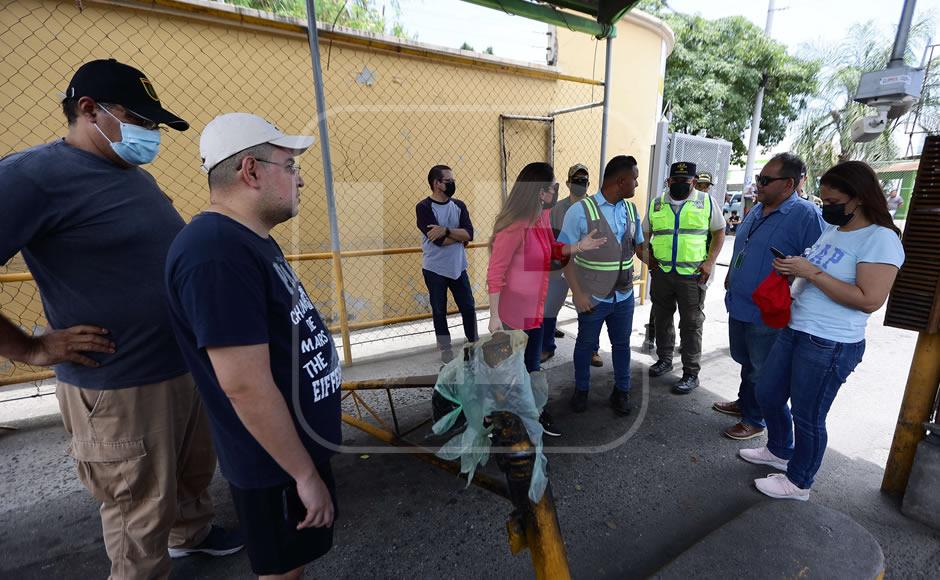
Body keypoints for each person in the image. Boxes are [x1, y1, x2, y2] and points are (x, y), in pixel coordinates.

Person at [0, 59, 240, 579]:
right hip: (120, 383)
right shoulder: (29, 177)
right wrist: (31, 348)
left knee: (190, 472)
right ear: (90, 110)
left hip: (180, 363)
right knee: (137, 505)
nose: (150, 134)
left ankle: (191, 535)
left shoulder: (130, 174)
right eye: (141, 120)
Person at [165, 113, 341, 578]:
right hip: (274, 464)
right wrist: (303, 474)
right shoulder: (215, 251)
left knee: (293, 564)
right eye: (290, 166)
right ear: (251, 170)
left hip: (288, 455)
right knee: (282, 571)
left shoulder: (245, 239)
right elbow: (244, 384)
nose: (300, 179)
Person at [739, 160, 904, 501]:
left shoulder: (881, 238)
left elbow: (870, 299)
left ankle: (799, 481)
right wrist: (793, 269)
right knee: (767, 393)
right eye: (824, 200)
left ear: (859, 197)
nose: (826, 208)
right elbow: (817, 272)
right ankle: (779, 449)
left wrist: (811, 272)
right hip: (796, 327)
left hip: (829, 342)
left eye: (833, 202)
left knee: (808, 415)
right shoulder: (835, 230)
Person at [487, 162, 605, 434]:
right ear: (540, 192)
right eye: (553, 186)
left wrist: (579, 246)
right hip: (513, 317)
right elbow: (495, 273)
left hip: (535, 312)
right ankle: (508, 424)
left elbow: (552, 249)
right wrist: (494, 316)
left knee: (531, 366)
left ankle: (532, 415)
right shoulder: (514, 227)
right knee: (510, 372)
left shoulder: (540, 218)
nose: (556, 190)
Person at [716, 153, 824, 441]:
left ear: (788, 184)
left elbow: (819, 263)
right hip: (740, 302)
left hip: (767, 309)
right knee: (746, 361)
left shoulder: (806, 215)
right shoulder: (758, 208)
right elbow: (745, 247)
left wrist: (794, 278)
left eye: (765, 180)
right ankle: (745, 403)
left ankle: (755, 419)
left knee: (762, 370)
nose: (758, 185)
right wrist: (733, 274)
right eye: (758, 179)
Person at [559, 155, 645, 415]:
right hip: (593, 297)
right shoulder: (580, 212)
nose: (637, 183)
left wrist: (659, 262)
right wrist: (577, 293)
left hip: (624, 296)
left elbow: (639, 247)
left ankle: (622, 391)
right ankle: (581, 391)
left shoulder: (631, 211)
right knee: (585, 345)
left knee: (622, 345)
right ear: (620, 181)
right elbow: (563, 254)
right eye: (634, 179)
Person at [638, 162, 726, 394]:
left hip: (692, 276)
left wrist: (710, 262)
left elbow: (719, 232)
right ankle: (664, 360)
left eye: (684, 181)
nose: (678, 184)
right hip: (662, 274)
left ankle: (690, 373)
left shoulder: (706, 202)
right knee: (662, 319)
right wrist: (648, 258)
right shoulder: (657, 203)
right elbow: (644, 234)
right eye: (674, 180)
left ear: (693, 182)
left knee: (691, 325)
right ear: (668, 181)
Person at [540, 163, 603, 368]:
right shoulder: (557, 209)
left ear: (589, 184)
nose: (580, 183)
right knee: (550, 307)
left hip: (585, 268)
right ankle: (547, 346)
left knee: (589, 310)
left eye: (584, 180)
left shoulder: (595, 208)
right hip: (560, 266)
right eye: (576, 180)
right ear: (568, 183)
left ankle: (592, 349)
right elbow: (552, 238)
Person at [416, 165, 478, 362]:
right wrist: (458, 236)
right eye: (448, 181)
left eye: (453, 180)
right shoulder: (423, 207)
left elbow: (470, 234)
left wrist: (446, 230)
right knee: (439, 310)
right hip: (434, 269)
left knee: (468, 307)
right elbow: (438, 241)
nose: (452, 184)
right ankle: (445, 349)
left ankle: (473, 343)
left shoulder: (459, 206)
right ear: (436, 183)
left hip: (458, 267)